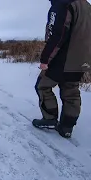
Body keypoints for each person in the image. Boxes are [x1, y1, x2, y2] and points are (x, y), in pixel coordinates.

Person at [32, 0, 91, 138]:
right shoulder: (86, 5)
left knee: (42, 86)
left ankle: (50, 119)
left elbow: (58, 34)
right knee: (71, 92)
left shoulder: (62, 4)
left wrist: (45, 59)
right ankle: (66, 127)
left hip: (62, 58)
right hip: (81, 59)